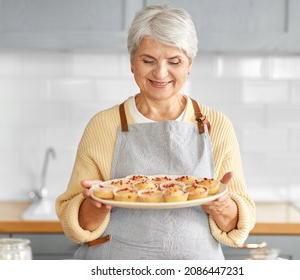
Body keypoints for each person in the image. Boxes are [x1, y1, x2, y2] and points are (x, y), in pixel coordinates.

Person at [55, 3, 255, 260]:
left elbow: (237, 227)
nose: (161, 73)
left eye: (174, 61)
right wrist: (96, 205)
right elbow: (78, 225)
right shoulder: (103, 126)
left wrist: (222, 205)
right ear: (132, 63)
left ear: (190, 64)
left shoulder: (215, 125)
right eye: (148, 60)